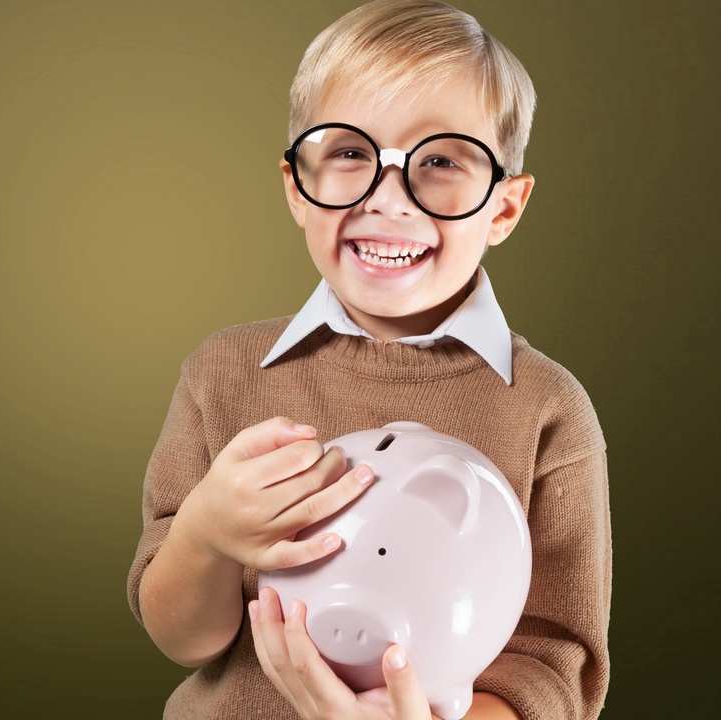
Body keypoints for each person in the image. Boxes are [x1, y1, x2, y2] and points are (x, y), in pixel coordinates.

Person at [126, 1, 611, 718]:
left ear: (504, 208)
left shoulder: (545, 408)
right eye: (351, 152)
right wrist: (206, 535)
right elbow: (183, 639)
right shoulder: (221, 372)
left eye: (441, 160)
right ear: (298, 186)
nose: (388, 199)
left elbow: (553, 667)